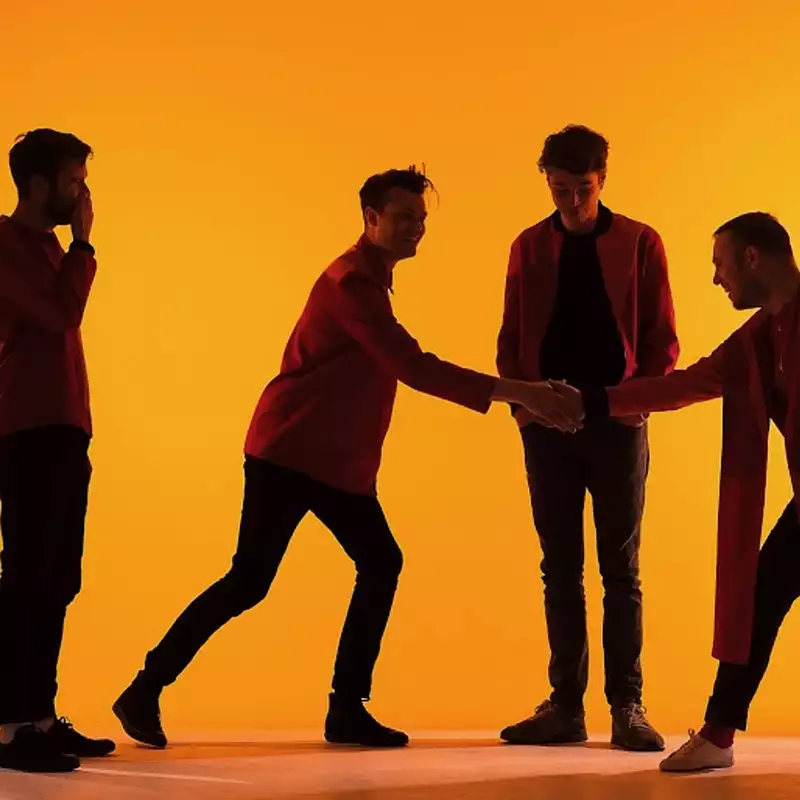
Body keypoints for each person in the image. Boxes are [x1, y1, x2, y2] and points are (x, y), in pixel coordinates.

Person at [113, 166, 578, 750]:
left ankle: (342, 709)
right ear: (371, 218)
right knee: (253, 580)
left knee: (370, 564)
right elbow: (412, 366)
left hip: (334, 464)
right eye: (405, 217)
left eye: (422, 219)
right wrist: (522, 390)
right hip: (290, 451)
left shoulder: (371, 278)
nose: (416, 228)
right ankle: (149, 689)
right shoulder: (352, 283)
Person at [561, 211, 800, 771]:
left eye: (720, 263)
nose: (716, 278)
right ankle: (718, 734)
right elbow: (684, 385)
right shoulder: (760, 338)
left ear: (751, 257)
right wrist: (589, 402)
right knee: (761, 596)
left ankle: (718, 732)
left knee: (763, 594)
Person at [496, 125, 679, 751]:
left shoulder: (640, 242)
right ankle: (565, 707)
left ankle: (627, 704)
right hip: (547, 429)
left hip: (617, 425)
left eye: (583, 189)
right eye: (560, 190)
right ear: (546, 182)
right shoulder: (527, 246)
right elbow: (509, 337)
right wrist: (527, 411)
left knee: (620, 570)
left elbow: (662, 337)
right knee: (559, 569)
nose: (572, 202)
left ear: (603, 180)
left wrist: (634, 407)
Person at [0, 129, 115, 773]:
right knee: (26, 577)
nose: (83, 194)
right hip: (25, 429)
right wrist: (86, 245)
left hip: (65, 427)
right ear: (39, 184)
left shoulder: (46, 249)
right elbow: (59, 315)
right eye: (74, 181)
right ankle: (12, 725)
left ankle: (38, 716)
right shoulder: (6, 244)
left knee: (57, 577)